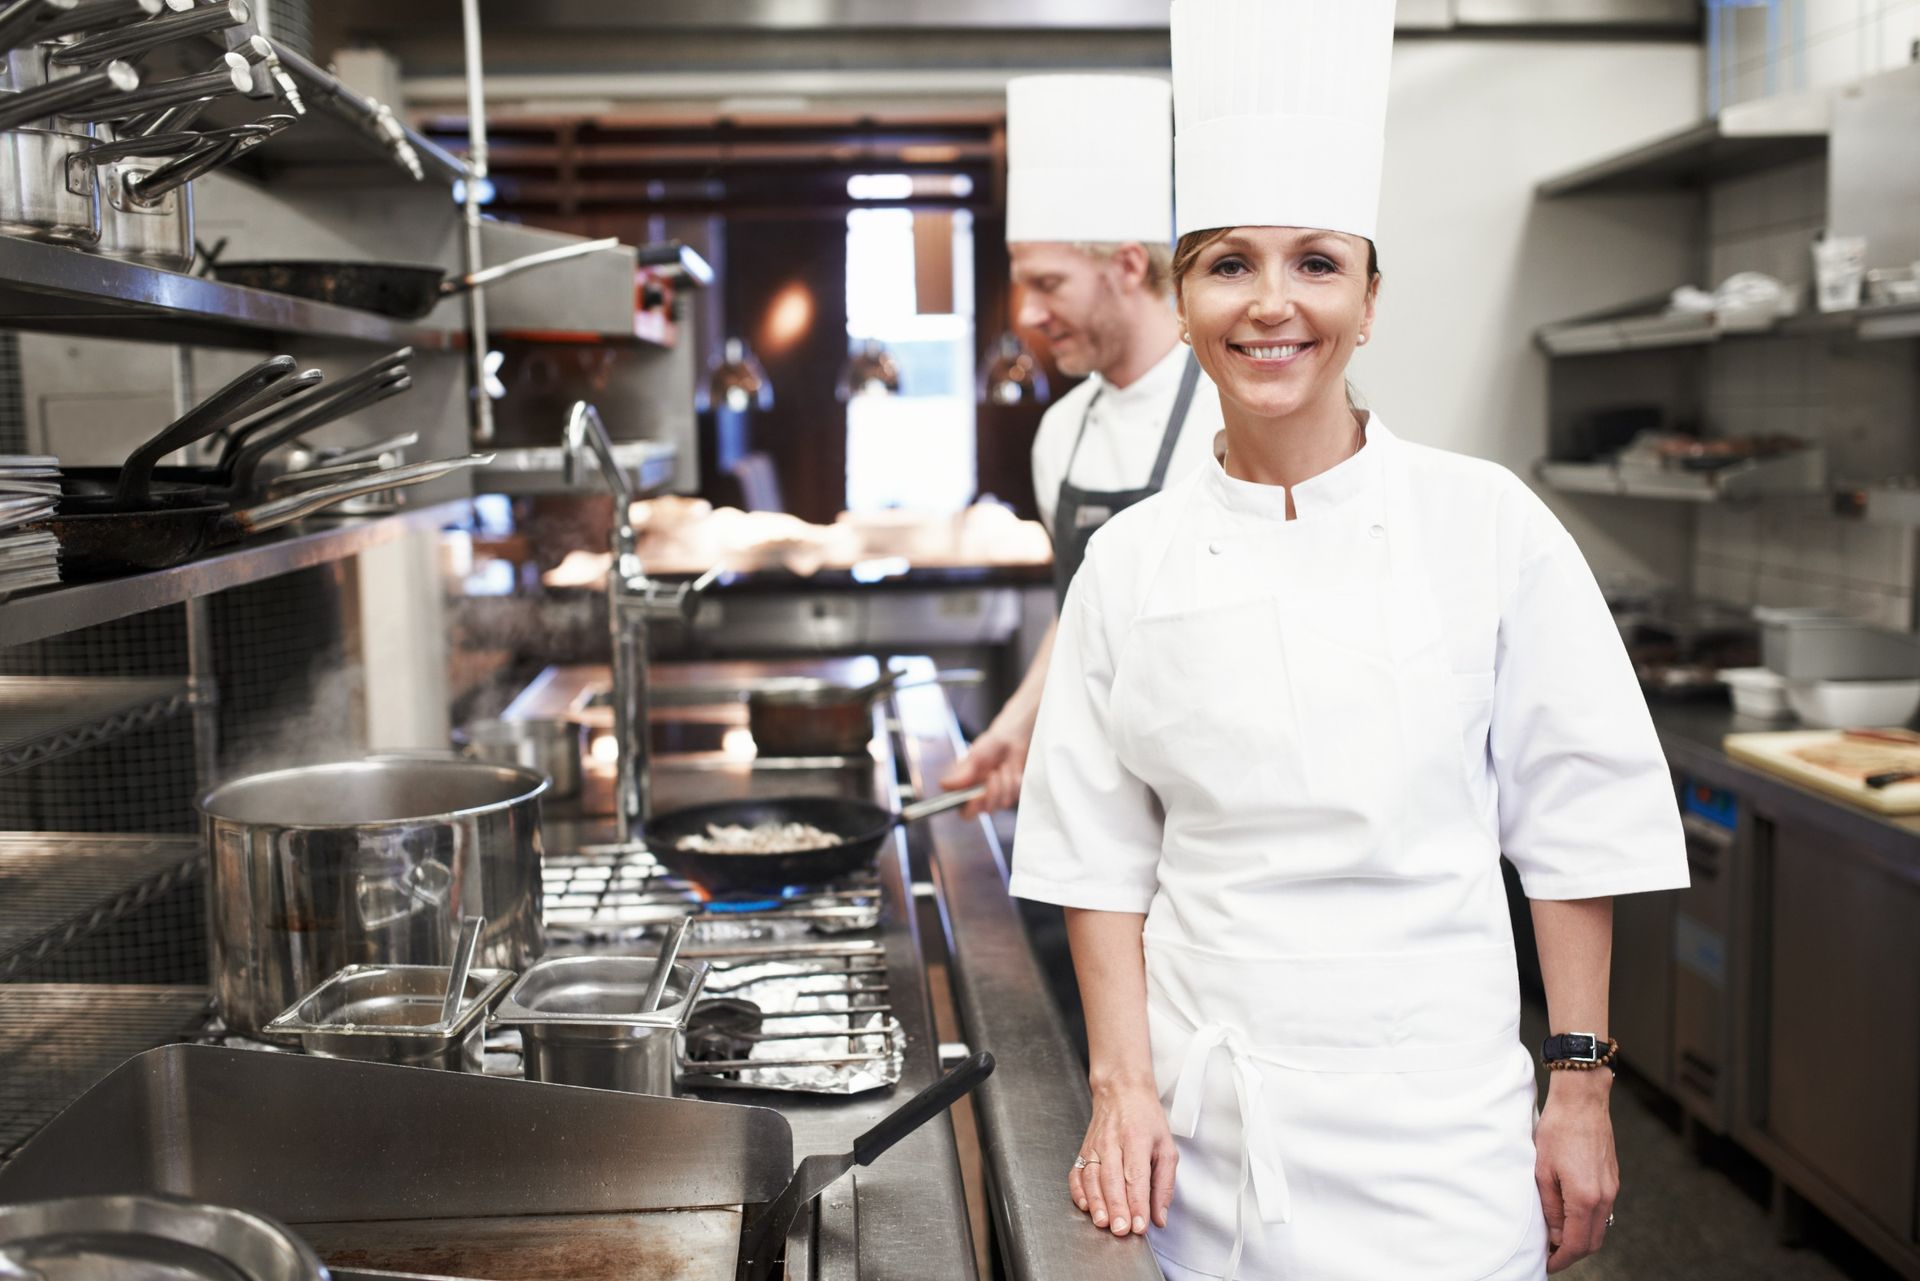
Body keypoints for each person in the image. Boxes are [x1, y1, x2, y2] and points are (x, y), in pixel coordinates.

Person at [1007, 3, 1690, 1279]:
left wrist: (1582, 1089)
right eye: (1230, 264)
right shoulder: (1132, 563)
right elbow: (1097, 855)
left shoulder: (1486, 524)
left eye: (1317, 263)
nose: (1275, 305)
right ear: (1186, 293)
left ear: (1370, 301)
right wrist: (1121, 1089)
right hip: (1209, 1139)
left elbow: (1574, 821)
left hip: (1443, 1137)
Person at [941, 74, 1222, 817]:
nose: (1029, 312)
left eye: (1049, 283)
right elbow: (1083, 613)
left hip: (1215, 802)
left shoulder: (1232, 415)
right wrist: (1016, 727)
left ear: (1128, 266)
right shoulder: (1061, 434)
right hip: (1098, 802)